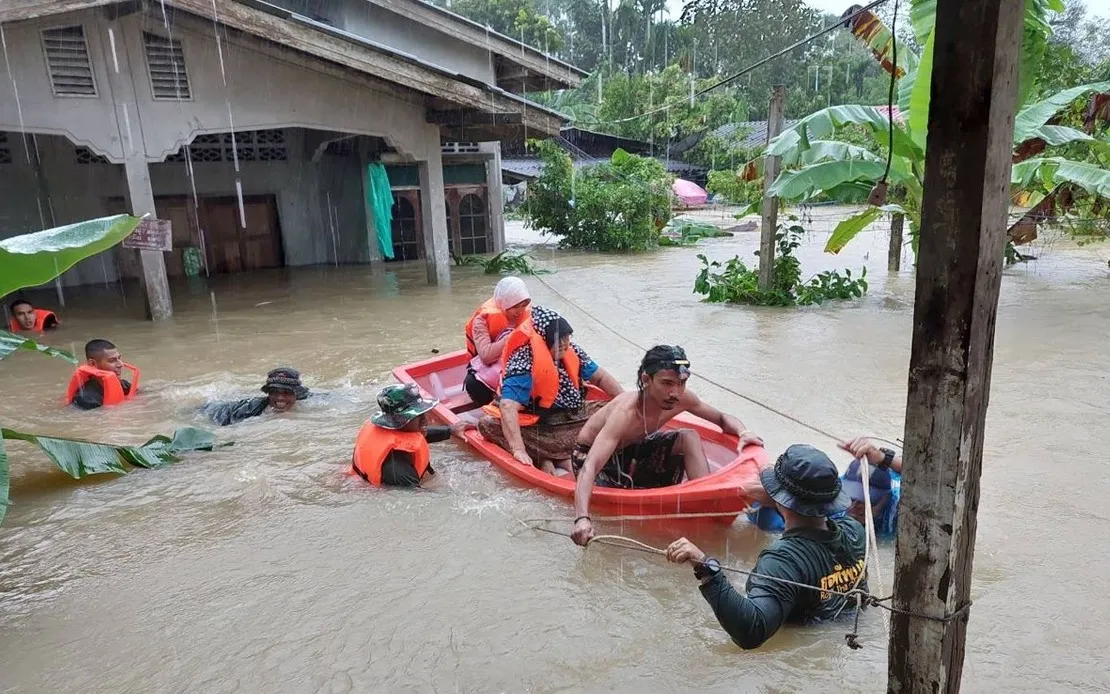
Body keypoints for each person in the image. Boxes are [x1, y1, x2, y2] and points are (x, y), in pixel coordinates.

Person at [664, 444, 867, 650]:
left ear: (781, 497)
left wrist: (706, 567)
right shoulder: (854, 530)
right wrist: (779, 501)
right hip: (843, 642)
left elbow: (751, 630)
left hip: (797, 659)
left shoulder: (782, 561)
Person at [570, 346, 762, 546]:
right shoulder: (626, 413)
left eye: (681, 383)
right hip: (590, 456)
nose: (675, 392)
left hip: (633, 447)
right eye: (667, 383)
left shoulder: (683, 398)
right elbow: (590, 465)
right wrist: (582, 518)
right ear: (646, 380)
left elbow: (722, 418)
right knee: (621, 494)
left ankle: (705, 500)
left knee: (689, 436)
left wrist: (744, 432)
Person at [478, 305, 623, 476]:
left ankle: (555, 454)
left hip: (570, 417)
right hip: (538, 425)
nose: (564, 344)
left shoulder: (573, 350)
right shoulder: (524, 360)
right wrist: (519, 450)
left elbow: (600, 377)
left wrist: (626, 400)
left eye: (566, 338)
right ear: (544, 338)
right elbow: (508, 406)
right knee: (487, 424)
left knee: (618, 409)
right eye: (557, 339)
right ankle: (547, 457)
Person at [352, 383, 471, 487]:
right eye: (415, 416)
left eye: (423, 413)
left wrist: (450, 430)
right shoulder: (396, 467)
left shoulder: (397, 430)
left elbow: (413, 436)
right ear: (399, 421)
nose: (425, 420)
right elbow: (418, 499)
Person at [464, 276, 532, 406]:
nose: (520, 311)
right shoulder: (482, 320)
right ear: (504, 302)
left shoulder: (529, 315)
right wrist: (514, 336)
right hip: (489, 371)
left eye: (523, 305)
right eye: (514, 306)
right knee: (472, 383)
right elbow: (486, 355)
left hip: (519, 367)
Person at [201, 367, 311, 426]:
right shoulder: (250, 411)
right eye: (274, 392)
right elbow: (223, 427)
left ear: (297, 394)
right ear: (268, 393)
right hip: (212, 410)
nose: (280, 397)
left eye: (286, 393)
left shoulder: (307, 398)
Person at [839, 437, 901, 536]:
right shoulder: (837, 499)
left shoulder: (898, 506)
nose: (853, 506)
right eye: (851, 497)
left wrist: (884, 458)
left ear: (886, 498)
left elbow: (930, 478)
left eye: (864, 501)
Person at [66, 339, 139, 410]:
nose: (120, 364)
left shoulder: (124, 385)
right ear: (93, 363)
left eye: (119, 358)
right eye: (112, 360)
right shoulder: (86, 399)